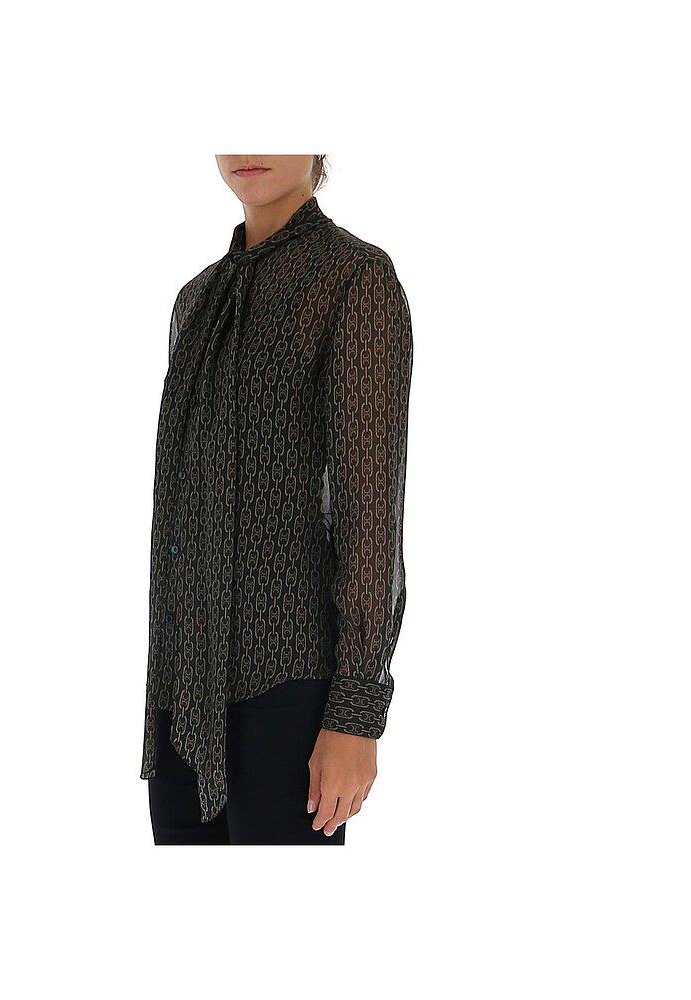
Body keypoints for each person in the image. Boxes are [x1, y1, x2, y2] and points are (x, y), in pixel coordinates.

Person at [141, 155, 413, 845]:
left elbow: (369, 511)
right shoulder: (197, 299)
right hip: (182, 692)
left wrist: (356, 713)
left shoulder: (354, 278)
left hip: (290, 687)